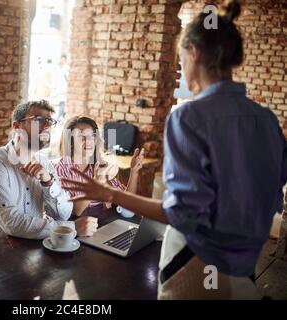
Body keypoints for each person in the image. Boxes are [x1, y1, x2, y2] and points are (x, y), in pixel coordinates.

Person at [61, 0, 287, 299]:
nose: (181, 69)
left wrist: (110, 194)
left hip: (193, 265)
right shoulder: (267, 119)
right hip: (245, 264)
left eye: (181, 58)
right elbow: (272, 200)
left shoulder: (189, 116)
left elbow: (184, 216)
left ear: (193, 52)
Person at [0, 100, 98, 251]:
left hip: (23, 250)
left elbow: (63, 214)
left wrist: (49, 183)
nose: (47, 126)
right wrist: (72, 227)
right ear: (17, 127)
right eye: (38, 120)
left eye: (50, 121)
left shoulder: (45, 164)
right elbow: (13, 223)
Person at [55, 116, 144, 216]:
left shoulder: (99, 165)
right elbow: (75, 211)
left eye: (92, 135)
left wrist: (134, 171)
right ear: (70, 142)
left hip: (100, 223)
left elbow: (126, 202)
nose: (88, 140)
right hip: (75, 227)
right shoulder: (60, 169)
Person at [51, 54, 69, 121]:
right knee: (58, 103)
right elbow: (54, 78)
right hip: (57, 88)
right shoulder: (56, 67)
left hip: (64, 88)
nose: (62, 61)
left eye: (63, 60)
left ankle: (58, 117)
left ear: (65, 60)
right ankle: (60, 117)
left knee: (62, 102)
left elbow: (68, 79)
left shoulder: (67, 68)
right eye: (61, 59)